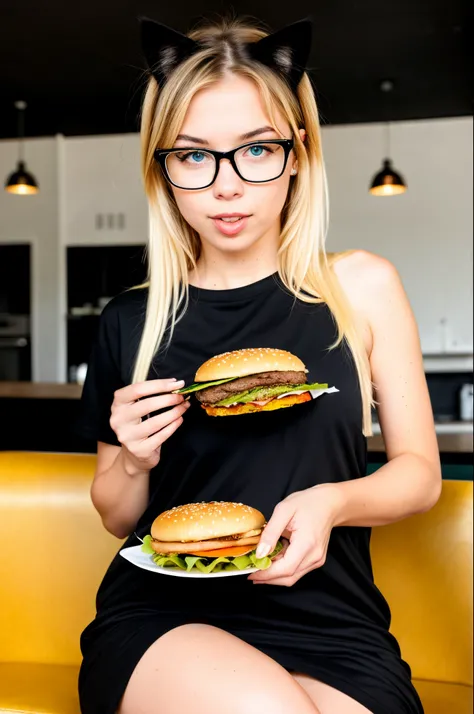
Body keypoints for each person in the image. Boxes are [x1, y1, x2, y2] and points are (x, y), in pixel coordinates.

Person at [75, 15, 441, 714]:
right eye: (193, 155)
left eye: (256, 150)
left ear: (297, 151)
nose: (227, 186)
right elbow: (118, 516)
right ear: (163, 167)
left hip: (336, 623)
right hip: (165, 622)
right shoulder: (131, 319)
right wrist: (132, 459)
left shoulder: (362, 287)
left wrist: (334, 502)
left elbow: (420, 476)